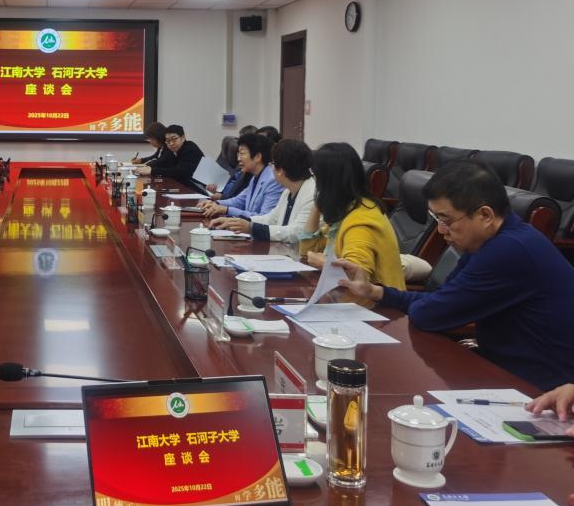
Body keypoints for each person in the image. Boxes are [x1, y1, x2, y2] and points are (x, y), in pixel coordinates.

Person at [336, 160, 574, 391]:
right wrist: (374, 291)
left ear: (485, 216)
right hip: (504, 373)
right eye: (436, 219)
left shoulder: (509, 250)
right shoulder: (489, 242)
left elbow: (429, 314)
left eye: (446, 220)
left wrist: (431, 306)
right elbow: (438, 300)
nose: (441, 230)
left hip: (542, 391)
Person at [302, 142, 405, 302]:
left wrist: (324, 263)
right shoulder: (345, 209)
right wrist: (318, 204)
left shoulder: (362, 220)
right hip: (345, 300)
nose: (313, 180)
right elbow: (306, 252)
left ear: (327, 181)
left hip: (378, 310)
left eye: (315, 175)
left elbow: (356, 278)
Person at [210, 139, 315, 244]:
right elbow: (271, 219)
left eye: (273, 164)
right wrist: (236, 222)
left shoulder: (311, 195)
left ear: (281, 171)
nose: (271, 168)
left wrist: (251, 228)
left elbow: (295, 232)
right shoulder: (288, 191)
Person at [200, 133, 282, 220]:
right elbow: (238, 201)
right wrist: (215, 203)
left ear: (257, 157)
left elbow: (264, 218)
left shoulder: (273, 180)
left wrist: (227, 210)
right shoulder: (255, 177)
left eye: (242, 154)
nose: (238, 159)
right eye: (238, 154)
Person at [134, 124, 204, 185]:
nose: (171, 143)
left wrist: (151, 170)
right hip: (185, 184)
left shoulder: (190, 148)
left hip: (197, 187)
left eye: (174, 139)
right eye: (168, 141)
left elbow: (180, 172)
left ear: (183, 138)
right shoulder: (175, 150)